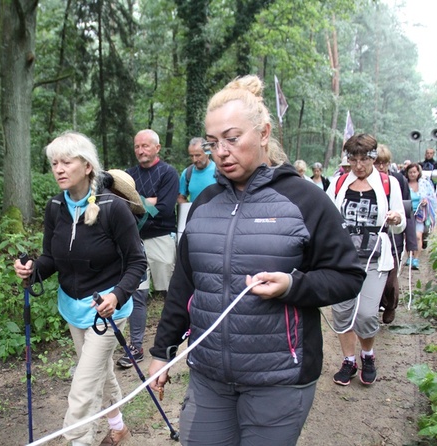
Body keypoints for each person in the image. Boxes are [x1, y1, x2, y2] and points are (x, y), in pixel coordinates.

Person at [147, 75, 366, 446]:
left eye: (233, 139)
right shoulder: (203, 205)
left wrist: (293, 286)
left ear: (263, 133)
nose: (221, 152)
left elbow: (346, 275)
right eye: (213, 143)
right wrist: (161, 352)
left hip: (279, 379)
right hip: (209, 377)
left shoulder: (305, 200)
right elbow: (185, 285)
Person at [14, 131, 146, 446]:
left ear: (87, 166)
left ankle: (78, 441)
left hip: (106, 312)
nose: (58, 168)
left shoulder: (113, 208)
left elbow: (138, 263)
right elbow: (51, 258)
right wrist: (32, 271)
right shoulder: (55, 206)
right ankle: (118, 428)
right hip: (72, 308)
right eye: (54, 163)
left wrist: (117, 295)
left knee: (82, 389)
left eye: (66, 162)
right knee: (100, 375)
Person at [327, 134, 406, 387]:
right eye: (353, 159)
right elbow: (326, 216)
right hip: (342, 261)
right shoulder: (338, 184)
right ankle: (349, 360)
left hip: (374, 259)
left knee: (366, 315)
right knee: (342, 313)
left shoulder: (388, 184)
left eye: (364, 159)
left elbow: (400, 224)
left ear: (373, 157)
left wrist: (395, 218)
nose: (358, 165)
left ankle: (367, 354)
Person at [118, 129, 179, 368]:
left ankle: (174, 340)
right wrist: (148, 200)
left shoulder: (168, 173)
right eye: (136, 146)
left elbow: (164, 209)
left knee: (169, 292)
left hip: (162, 239)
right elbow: (120, 205)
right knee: (137, 293)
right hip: (135, 241)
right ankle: (135, 346)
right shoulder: (128, 175)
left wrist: (137, 201)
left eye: (145, 146)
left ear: (157, 148)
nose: (140, 150)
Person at [374, 145, 416, 324]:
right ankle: (377, 304)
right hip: (372, 240)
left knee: (390, 278)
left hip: (394, 238)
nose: (381, 167)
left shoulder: (397, 180)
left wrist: (411, 242)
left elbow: (407, 212)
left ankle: (391, 304)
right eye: (377, 163)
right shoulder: (361, 183)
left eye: (385, 163)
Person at [405, 162, 437, 270]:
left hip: (420, 214)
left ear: (418, 172)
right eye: (410, 172)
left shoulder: (424, 184)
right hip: (407, 213)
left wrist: (426, 201)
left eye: (414, 172)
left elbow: (432, 197)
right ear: (407, 173)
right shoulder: (404, 184)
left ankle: (416, 259)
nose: (412, 174)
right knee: (408, 237)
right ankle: (409, 256)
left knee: (418, 236)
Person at [177, 137, 217, 203]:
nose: (194, 159)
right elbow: (180, 197)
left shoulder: (219, 171)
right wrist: (190, 209)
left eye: (198, 155)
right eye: (191, 156)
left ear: (208, 153)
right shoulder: (187, 173)